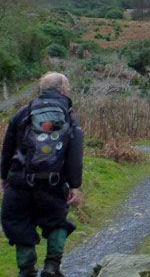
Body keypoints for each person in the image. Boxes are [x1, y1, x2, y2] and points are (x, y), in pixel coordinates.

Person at [1, 72, 83, 277]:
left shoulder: (22, 113)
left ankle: (26, 270)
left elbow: (7, 148)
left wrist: (4, 177)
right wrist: (74, 185)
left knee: (19, 223)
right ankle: (52, 267)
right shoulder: (69, 117)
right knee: (58, 221)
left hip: (19, 182)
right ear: (62, 90)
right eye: (69, 88)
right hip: (52, 184)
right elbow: (74, 154)